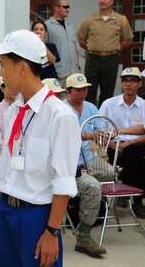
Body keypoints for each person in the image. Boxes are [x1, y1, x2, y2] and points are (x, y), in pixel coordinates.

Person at [0, 30, 81, 267]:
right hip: (7, 211)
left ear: (23, 68)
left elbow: (63, 180)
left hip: (36, 217)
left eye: (2, 65)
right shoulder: (14, 111)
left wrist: (52, 232)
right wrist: (1, 215)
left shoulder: (59, 116)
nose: (0, 73)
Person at [63, 73, 107, 257]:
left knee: (107, 176)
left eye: (84, 89)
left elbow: (100, 130)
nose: (82, 93)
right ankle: (71, 214)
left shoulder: (90, 107)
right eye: (78, 90)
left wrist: (103, 140)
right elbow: (65, 135)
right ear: (68, 91)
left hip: (88, 158)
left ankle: (84, 233)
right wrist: (88, 136)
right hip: (66, 163)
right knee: (91, 183)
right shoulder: (61, 109)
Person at [99, 67, 145, 219]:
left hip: (136, 146)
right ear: (121, 84)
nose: (128, 84)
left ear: (139, 84)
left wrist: (128, 143)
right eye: (125, 80)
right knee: (139, 158)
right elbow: (100, 129)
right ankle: (137, 202)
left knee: (136, 152)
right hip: (114, 147)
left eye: (133, 81)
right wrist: (110, 142)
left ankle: (125, 189)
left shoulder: (143, 105)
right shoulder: (108, 104)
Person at [77, 0, 133, 107]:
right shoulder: (89, 20)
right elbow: (81, 39)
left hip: (111, 59)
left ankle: (104, 118)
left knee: (107, 90)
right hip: (93, 58)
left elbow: (128, 39)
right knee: (89, 90)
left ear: (111, 2)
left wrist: (115, 47)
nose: (102, 1)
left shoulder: (121, 19)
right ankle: (90, 117)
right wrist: (92, 48)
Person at [45, 0, 81, 86]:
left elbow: (75, 48)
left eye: (68, 7)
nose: (68, 9)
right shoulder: (47, 26)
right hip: (58, 74)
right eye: (65, 7)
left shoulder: (70, 26)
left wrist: (78, 67)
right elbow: (44, 49)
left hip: (73, 73)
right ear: (56, 8)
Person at [0, 77, 19, 155]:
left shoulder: (21, 108)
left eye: (17, 86)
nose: (15, 89)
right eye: (12, 86)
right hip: (2, 154)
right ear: (2, 88)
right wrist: (7, 152)